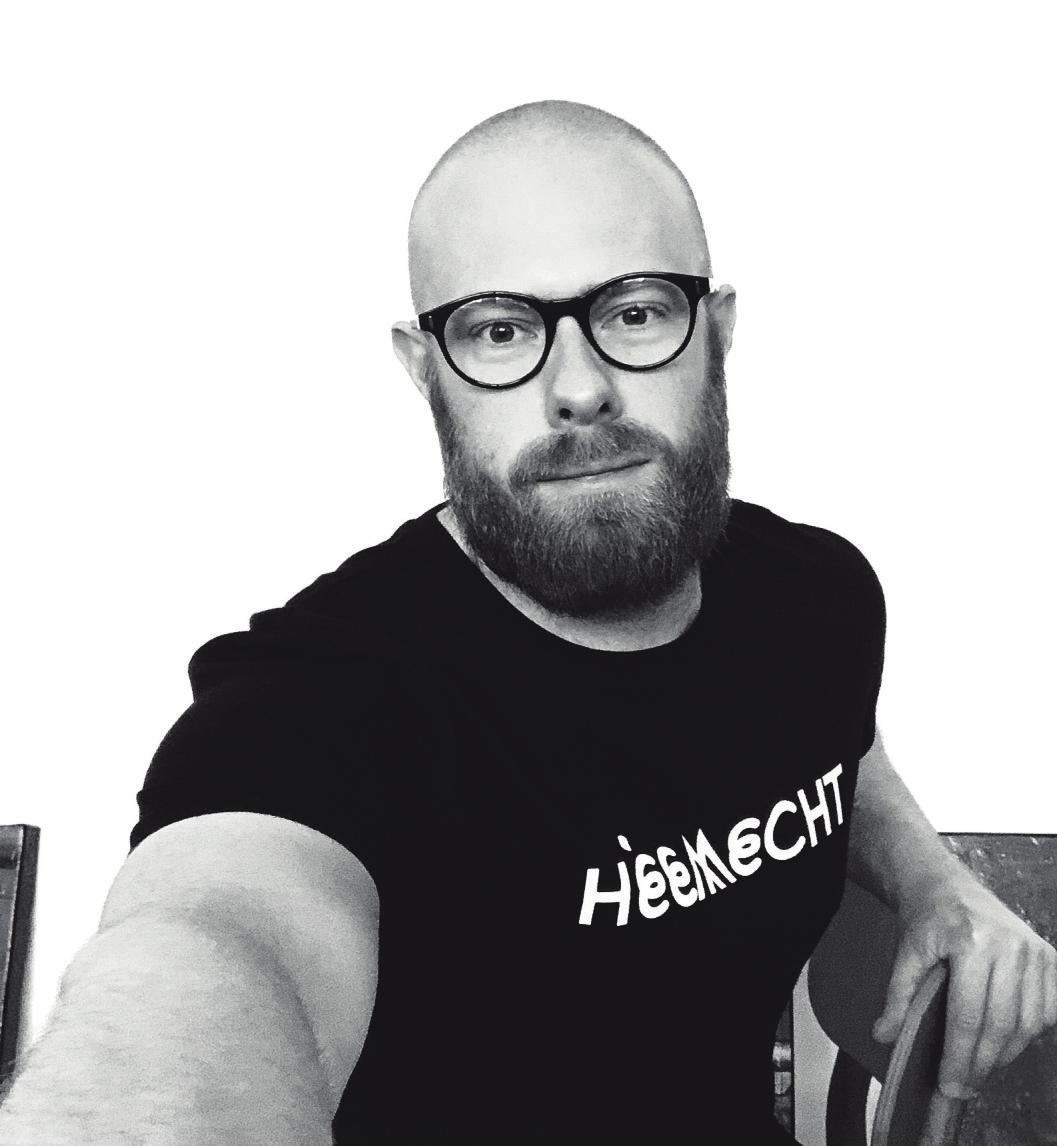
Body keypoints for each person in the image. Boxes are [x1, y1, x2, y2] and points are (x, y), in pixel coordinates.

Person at [1, 99, 1054, 1145]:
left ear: (717, 330)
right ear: (425, 367)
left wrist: (933, 882)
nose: (579, 389)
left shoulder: (816, 594)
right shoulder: (320, 708)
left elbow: (834, 737)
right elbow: (213, 952)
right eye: (499, 330)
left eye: (634, 312)